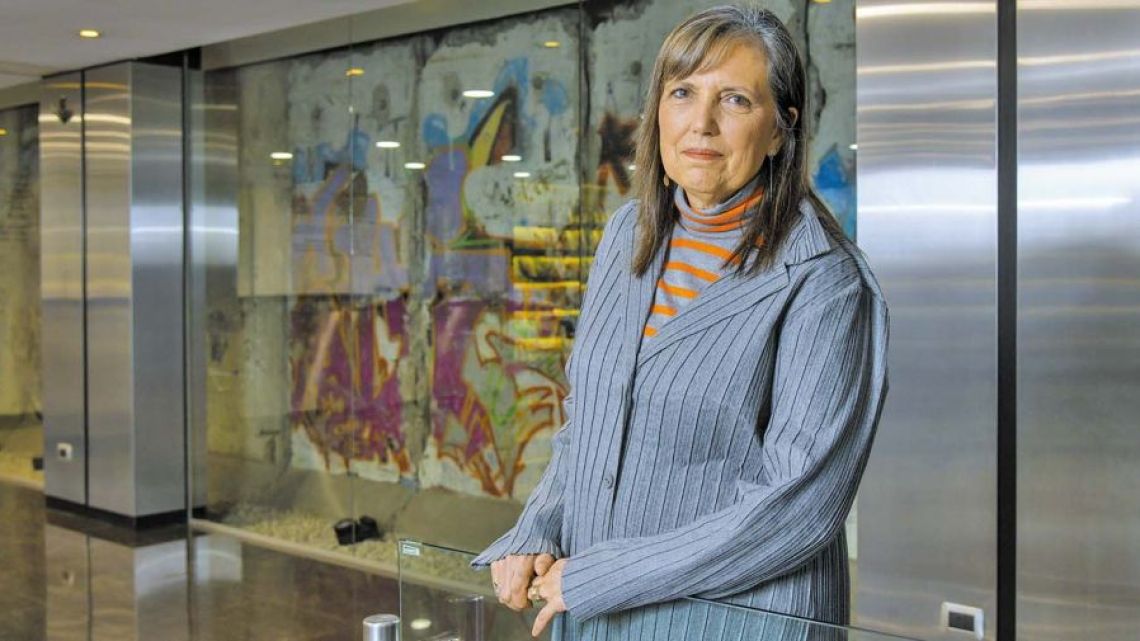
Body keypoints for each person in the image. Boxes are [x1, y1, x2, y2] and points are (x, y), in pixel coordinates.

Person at [470, 5, 889, 640]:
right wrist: (540, 526)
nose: (702, 123)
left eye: (736, 100)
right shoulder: (627, 235)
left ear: (781, 130)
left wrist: (605, 576)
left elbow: (796, 507)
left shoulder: (825, 281)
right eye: (683, 92)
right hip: (596, 611)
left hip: (741, 624)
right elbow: (591, 419)